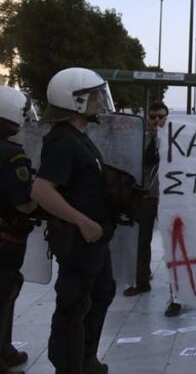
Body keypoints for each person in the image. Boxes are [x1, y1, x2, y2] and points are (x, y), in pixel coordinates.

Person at [31, 67, 117, 374]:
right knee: (73, 304)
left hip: (94, 240)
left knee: (101, 292)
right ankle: (68, 366)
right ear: (76, 101)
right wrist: (83, 221)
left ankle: (86, 358)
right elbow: (42, 190)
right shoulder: (62, 141)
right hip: (79, 241)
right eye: (93, 96)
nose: (98, 101)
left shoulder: (79, 137)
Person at [0, 87, 37, 372]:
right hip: (7, 238)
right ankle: (4, 352)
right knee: (6, 291)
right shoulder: (12, 154)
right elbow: (24, 203)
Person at [122, 101, 167, 298]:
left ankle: (177, 291)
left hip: (168, 197)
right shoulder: (140, 139)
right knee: (142, 240)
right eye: (153, 117)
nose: (157, 120)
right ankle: (141, 280)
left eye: (161, 116)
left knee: (174, 242)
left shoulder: (174, 137)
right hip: (147, 195)